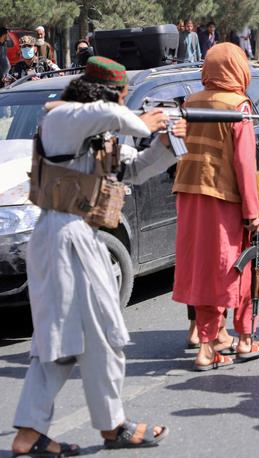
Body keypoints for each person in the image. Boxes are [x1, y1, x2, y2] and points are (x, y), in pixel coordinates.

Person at [10, 55, 183, 456]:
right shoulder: (64, 118)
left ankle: (42, 431)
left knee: (75, 340)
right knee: (84, 336)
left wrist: (166, 143)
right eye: (122, 95)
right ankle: (105, 427)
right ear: (108, 93)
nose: (125, 103)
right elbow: (108, 113)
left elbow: (135, 170)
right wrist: (145, 119)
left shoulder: (97, 131)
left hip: (78, 238)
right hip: (61, 235)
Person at [172, 43, 259, 370]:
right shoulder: (238, 105)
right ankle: (217, 347)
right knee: (231, 268)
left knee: (202, 268)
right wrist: (252, 212)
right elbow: (243, 162)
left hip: (188, 194)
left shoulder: (190, 102)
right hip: (222, 197)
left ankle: (216, 337)